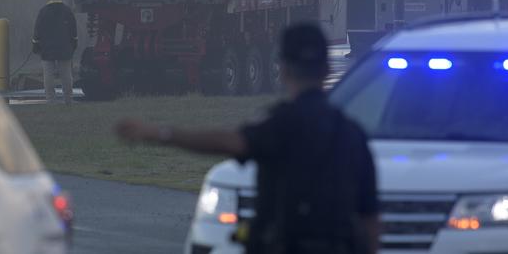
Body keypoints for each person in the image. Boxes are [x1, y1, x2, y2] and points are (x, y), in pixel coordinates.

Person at [116, 23, 380, 254]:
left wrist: (161, 134)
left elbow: (230, 142)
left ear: (283, 70)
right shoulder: (352, 134)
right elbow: (370, 217)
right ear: (326, 70)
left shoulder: (279, 123)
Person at [33, 0, 78, 104]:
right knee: (66, 74)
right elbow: (73, 31)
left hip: (47, 48)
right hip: (64, 47)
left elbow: (37, 31)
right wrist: (73, 44)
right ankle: (68, 99)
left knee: (48, 75)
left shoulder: (43, 12)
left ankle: (50, 99)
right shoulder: (67, 11)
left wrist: (35, 46)